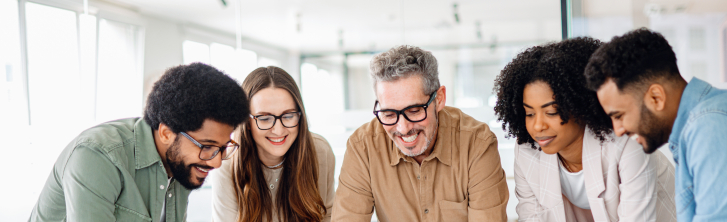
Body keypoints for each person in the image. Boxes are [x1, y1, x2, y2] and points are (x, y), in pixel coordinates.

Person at [584, 28, 727, 221]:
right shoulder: (701, 125)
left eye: (619, 115)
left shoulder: (712, 128)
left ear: (656, 97)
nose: (618, 131)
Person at [28, 63, 249, 221]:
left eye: (222, 148)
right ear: (166, 133)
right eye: (207, 146)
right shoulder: (97, 156)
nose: (217, 162)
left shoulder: (181, 166)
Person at [494, 37, 676, 222]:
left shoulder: (625, 141)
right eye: (529, 114)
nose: (538, 126)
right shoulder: (527, 150)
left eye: (552, 112)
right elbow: (531, 217)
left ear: (580, 105)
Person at [332, 45, 509, 221]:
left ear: (439, 99)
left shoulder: (477, 143)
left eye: (414, 111)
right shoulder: (363, 147)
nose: (403, 128)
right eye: (389, 114)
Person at [211, 66, 335, 222]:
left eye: (288, 116)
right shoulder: (226, 164)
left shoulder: (319, 151)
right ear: (246, 122)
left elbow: (328, 216)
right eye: (264, 119)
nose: (278, 130)